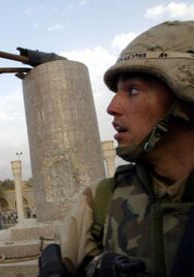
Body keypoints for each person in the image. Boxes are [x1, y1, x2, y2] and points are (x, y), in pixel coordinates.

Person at [58, 21, 194, 277]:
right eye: (117, 91)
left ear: (184, 98)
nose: (112, 107)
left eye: (132, 90)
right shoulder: (100, 201)